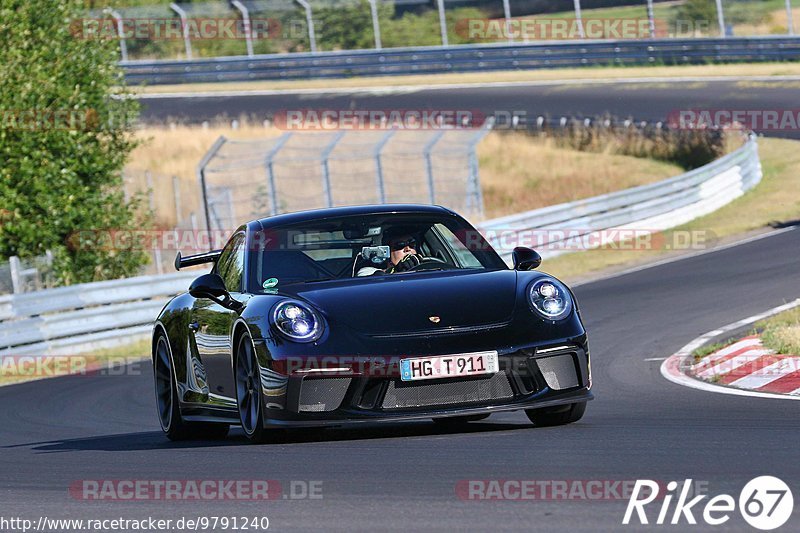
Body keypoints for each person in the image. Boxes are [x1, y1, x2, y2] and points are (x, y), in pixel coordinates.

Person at [357, 228, 423, 276]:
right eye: (400, 245)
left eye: (412, 244)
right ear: (386, 252)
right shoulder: (367, 271)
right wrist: (397, 270)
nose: (408, 249)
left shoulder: (427, 269)